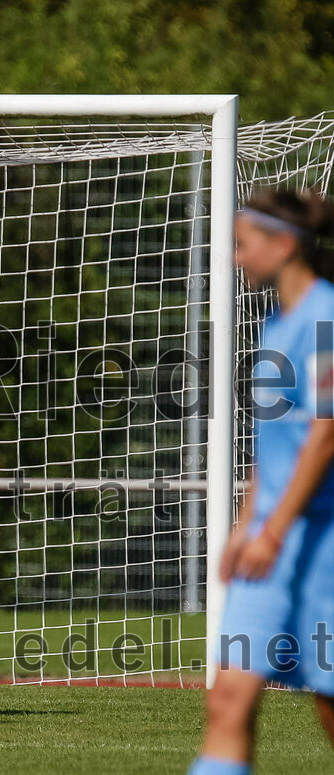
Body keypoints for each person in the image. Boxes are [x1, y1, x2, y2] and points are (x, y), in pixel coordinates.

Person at [189, 189, 334, 773]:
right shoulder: (273, 324)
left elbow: (325, 436)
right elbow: (270, 447)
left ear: (284, 245)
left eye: (243, 244)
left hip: (320, 546)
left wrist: (272, 531)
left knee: (328, 703)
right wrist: (246, 527)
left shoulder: (325, 317)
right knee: (227, 701)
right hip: (266, 547)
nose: (236, 257)